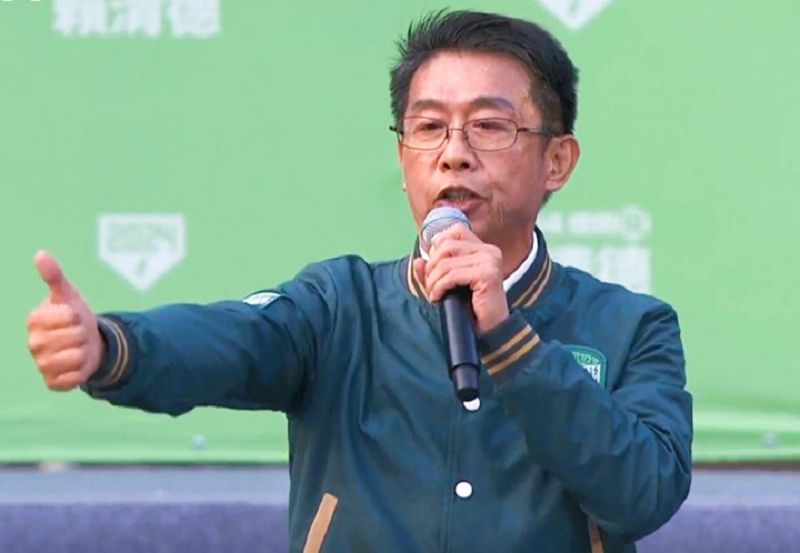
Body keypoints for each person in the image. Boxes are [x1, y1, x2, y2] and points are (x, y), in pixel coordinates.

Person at [27, 10, 692, 553]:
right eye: (429, 127)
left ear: (557, 161)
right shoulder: (338, 308)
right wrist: (111, 346)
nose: (453, 153)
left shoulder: (630, 326)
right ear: (403, 158)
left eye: (489, 126)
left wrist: (510, 339)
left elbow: (643, 495)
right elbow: (229, 339)